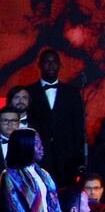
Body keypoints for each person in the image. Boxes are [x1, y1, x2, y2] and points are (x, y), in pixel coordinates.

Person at [26, 48, 87, 184]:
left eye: (54, 62)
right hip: (39, 158)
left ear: (60, 65)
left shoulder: (72, 93)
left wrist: (78, 159)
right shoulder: (29, 92)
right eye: (47, 61)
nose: (51, 65)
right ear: (40, 65)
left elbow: (78, 127)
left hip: (67, 160)